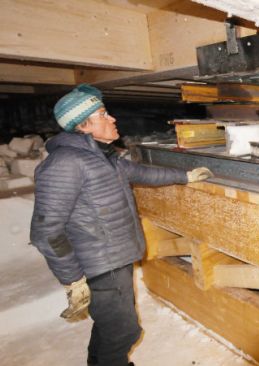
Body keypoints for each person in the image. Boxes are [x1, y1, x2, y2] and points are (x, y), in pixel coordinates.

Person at [30, 84, 213, 366]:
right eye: (103, 114)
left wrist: (185, 176)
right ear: (83, 125)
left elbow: (141, 172)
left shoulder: (101, 158)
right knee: (123, 331)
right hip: (101, 266)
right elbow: (45, 231)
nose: (112, 119)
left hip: (113, 257)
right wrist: (72, 280)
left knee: (109, 327)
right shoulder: (66, 163)